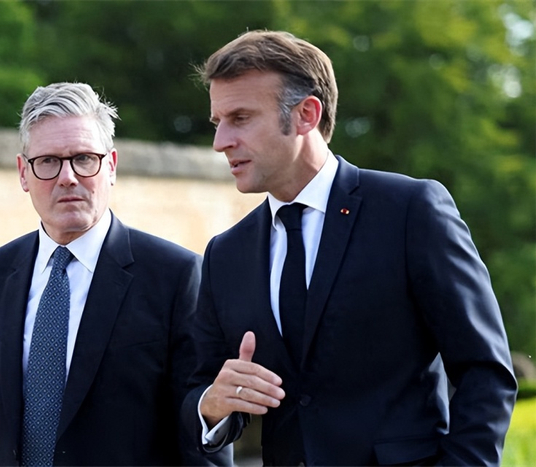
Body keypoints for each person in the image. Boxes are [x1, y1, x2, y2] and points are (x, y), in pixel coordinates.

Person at [182, 30, 517, 466]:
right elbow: (202, 387)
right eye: (218, 122)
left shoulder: (410, 211)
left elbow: (485, 371)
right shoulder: (225, 254)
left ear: (306, 114)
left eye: (240, 118)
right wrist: (211, 404)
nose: (220, 141)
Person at [0, 82, 232, 466]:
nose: (67, 177)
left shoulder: (175, 277)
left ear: (111, 166)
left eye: (84, 158)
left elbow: (199, 438)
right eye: (48, 161)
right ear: (23, 173)